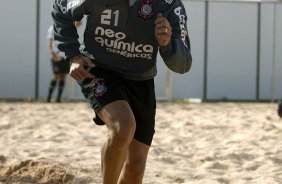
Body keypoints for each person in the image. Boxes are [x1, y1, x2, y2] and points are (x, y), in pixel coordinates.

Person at [52, 0, 192, 183]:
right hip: (99, 69)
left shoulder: (169, 5)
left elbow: (183, 65)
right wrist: (73, 54)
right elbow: (61, 7)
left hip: (141, 80)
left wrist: (166, 43)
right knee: (123, 127)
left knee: (135, 168)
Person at [46, 21, 82, 103]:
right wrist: (51, 51)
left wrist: (77, 21)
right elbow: (49, 40)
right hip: (56, 55)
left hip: (65, 55)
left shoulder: (67, 26)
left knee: (63, 76)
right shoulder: (52, 28)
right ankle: (48, 98)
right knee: (56, 75)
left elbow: (78, 24)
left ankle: (58, 98)